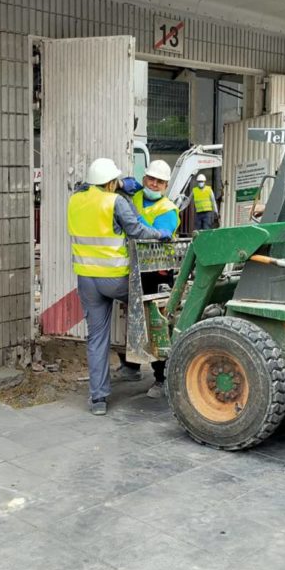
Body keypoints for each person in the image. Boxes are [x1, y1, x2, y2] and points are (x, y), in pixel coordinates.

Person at [68, 157, 171, 415]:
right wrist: (161, 235)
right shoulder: (115, 202)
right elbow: (136, 229)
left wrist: (123, 183)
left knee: (97, 337)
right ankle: (156, 373)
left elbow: (84, 188)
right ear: (111, 183)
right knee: (148, 313)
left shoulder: (75, 200)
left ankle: (98, 399)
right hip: (115, 278)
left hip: (86, 278)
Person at [114, 159, 179, 399]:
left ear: (165, 185)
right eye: (151, 179)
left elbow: (156, 234)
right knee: (129, 317)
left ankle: (161, 378)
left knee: (155, 325)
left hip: (157, 272)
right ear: (145, 179)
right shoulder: (138, 194)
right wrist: (121, 183)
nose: (154, 184)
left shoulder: (168, 210)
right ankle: (130, 366)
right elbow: (128, 185)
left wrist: (130, 218)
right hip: (133, 268)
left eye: (159, 181)